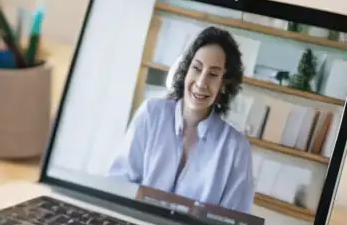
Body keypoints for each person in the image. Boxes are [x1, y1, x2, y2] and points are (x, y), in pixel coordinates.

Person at [109, 26, 256, 213]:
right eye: (197, 68)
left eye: (213, 74)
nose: (201, 82)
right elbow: (118, 184)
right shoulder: (151, 114)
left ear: (224, 84)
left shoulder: (236, 149)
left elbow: (235, 224)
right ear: (186, 70)